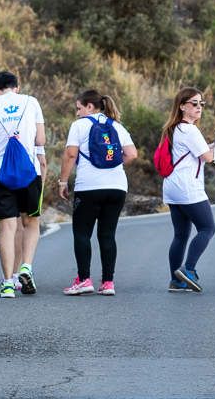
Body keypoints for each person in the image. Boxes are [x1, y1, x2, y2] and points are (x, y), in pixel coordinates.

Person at [58, 90, 137, 296]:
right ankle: (108, 282)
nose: (77, 113)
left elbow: (70, 154)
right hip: (117, 187)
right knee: (107, 235)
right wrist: (113, 166)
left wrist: (63, 181)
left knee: (82, 233)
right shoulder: (117, 126)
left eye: (79, 108)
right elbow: (132, 154)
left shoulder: (79, 126)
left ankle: (84, 279)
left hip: (89, 187)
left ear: (90, 107)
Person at [0, 71, 46, 298]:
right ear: (17, 86)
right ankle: (26, 267)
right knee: (31, 221)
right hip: (29, 172)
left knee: (7, 227)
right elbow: (41, 141)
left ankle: (7, 283)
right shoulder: (31, 102)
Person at [162, 87, 215, 293]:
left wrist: (211, 145)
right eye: (194, 103)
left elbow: (199, 151)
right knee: (207, 228)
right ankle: (189, 269)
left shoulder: (175, 128)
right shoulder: (190, 130)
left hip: (172, 188)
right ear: (182, 106)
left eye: (201, 103)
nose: (199, 107)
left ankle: (175, 280)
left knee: (181, 235)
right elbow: (208, 157)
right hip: (187, 188)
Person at [11, 147, 46, 292]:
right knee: (32, 222)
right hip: (31, 176)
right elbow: (42, 162)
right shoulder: (32, 125)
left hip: (3, 176)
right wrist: (41, 187)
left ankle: (12, 276)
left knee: (13, 227)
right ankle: (26, 266)